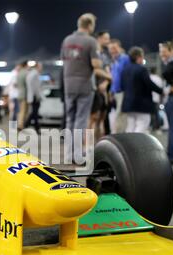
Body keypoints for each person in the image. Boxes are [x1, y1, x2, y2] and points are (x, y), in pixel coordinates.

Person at [61, 13, 103, 164]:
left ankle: (68, 155)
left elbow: (64, 61)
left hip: (68, 84)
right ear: (90, 25)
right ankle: (77, 156)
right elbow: (96, 64)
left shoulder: (66, 40)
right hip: (84, 85)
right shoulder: (91, 41)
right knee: (81, 120)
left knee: (69, 119)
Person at [121, 47, 163, 133]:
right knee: (143, 123)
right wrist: (161, 91)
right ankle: (136, 144)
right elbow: (149, 84)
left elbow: (122, 85)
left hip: (128, 102)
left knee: (130, 126)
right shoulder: (142, 69)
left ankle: (127, 145)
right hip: (141, 103)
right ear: (139, 57)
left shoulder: (125, 70)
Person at [89, 31, 112, 140]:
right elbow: (95, 70)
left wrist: (106, 82)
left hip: (103, 91)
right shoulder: (93, 52)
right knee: (92, 118)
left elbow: (108, 72)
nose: (108, 41)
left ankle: (98, 146)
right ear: (99, 38)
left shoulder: (105, 55)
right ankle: (87, 147)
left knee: (101, 119)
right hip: (93, 89)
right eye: (106, 38)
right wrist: (108, 77)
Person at [108, 39, 130, 133]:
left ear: (120, 48)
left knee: (120, 115)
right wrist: (111, 92)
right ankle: (118, 135)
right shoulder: (114, 61)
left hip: (123, 91)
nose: (113, 50)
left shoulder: (125, 58)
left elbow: (128, 75)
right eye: (111, 48)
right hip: (116, 92)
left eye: (115, 48)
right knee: (118, 115)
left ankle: (118, 137)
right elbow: (114, 78)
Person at [25, 62, 43, 132]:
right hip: (35, 96)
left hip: (33, 95)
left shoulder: (31, 73)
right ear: (37, 67)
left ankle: (32, 126)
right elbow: (36, 87)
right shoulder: (35, 74)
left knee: (34, 112)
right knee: (35, 112)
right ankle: (29, 125)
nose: (41, 68)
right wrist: (38, 96)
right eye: (41, 67)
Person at [149, 67, 164, 131]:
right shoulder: (159, 79)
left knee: (149, 113)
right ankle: (157, 127)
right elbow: (161, 90)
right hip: (156, 98)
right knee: (156, 113)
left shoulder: (148, 77)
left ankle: (150, 126)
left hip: (149, 98)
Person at [16, 61, 29, 130]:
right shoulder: (26, 73)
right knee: (24, 111)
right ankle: (20, 125)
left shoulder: (19, 73)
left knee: (20, 110)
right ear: (26, 65)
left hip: (19, 94)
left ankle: (20, 124)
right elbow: (27, 85)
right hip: (24, 94)